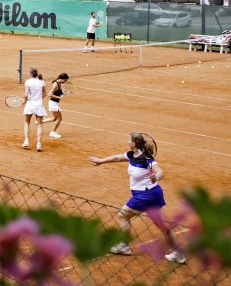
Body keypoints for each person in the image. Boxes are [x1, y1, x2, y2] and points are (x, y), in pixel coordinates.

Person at [88, 132, 186, 264]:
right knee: (161, 224)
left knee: (123, 215)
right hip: (152, 194)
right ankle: (178, 253)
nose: (127, 142)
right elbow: (118, 157)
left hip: (146, 195)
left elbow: (159, 171)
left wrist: (156, 177)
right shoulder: (131, 155)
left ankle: (124, 246)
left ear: (134, 143)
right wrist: (101, 160)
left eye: (129, 140)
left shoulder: (147, 159)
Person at [22, 67, 47, 152]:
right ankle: (39, 144)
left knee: (26, 122)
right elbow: (45, 94)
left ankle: (26, 141)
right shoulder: (42, 82)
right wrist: (39, 99)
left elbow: (26, 95)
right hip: (39, 105)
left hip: (30, 105)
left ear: (30, 73)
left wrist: (24, 101)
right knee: (39, 125)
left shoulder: (28, 82)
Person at [42, 73, 69, 139]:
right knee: (59, 118)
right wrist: (58, 97)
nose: (65, 82)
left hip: (54, 103)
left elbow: (59, 91)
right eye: (65, 80)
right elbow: (50, 94)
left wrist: (63, 93)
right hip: (53, 103)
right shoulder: (55, 84)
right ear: (62, 78)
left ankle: (40, 121)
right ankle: (53, 133)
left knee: (55, 118)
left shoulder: (59, 83)